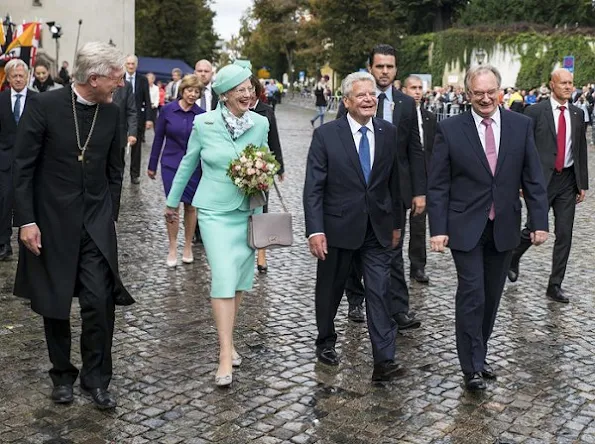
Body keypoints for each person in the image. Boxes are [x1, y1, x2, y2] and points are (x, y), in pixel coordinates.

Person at [12, 41, 134, 408]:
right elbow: (23, 168)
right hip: (49, 223)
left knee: (99, 300)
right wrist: (27, 221)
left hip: (95, 223)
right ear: (93, 78)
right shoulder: (44, 106)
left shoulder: (111, 114)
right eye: (116, 78)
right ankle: (62, 374)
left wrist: (109, 215)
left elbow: (116, 170)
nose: (120, 84)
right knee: (55, 302)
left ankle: (96, 379)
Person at [427, 65, 549, 391]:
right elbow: (437, 184)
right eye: (477, 92)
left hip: (505, 225)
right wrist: (437, 228)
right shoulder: (450, 129)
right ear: (468, 94)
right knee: (473, 294)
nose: (485, 98)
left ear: (500, 91)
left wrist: (539, 221)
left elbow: (534, 178)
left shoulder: (521, 126)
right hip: (465, 225)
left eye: (490, 91)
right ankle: (471, 368)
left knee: (492, 296)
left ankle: (478, 354)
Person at [165, 64, 269, 387]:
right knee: (223, 274)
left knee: (238, 281)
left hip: (247, 211)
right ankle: (225, 354)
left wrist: (261, 172)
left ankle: (230, 339)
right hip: (212, 211)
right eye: (241, 90)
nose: (248, 94)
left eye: (250, 89)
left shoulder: (261, 123)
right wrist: (172, 201)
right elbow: (188, 161)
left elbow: (266, 158)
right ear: (224, 94)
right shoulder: (204, 123)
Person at [304, 71, 403, 381]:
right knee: (330, 289)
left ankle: (384, 360)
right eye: (361, 95)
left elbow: (394, 183)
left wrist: (397, 223)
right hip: (338, 229)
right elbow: (313, 188)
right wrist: (315, 229)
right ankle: (325, 340)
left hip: (377, 228)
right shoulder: (326, 135)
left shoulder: (388, 132)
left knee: (379, 291)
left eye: (371, 94)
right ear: (346, 101)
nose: (368, 99)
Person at [337, 44, 425, 329]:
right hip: (359, 188)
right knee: (354, 246)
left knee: (394, 249)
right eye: (380, 66)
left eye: (390, 66)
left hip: (394, 190)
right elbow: (340, 143)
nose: (385, 71)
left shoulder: (406, 103)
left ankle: (399, 309)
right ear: (370, 68)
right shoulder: (352, 100)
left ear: (396, 69)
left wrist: (419, 191)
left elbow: (415, 149)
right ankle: (355, 299)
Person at [508, 69, 588, 303]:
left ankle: (555, 285)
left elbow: (580, 149)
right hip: (541, 181)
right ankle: (513, 257)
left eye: (571, 83)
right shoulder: (534, 112)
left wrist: (582, 183)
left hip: (567, 181)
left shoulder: (576, 113)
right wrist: (522, 181)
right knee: (533, 228)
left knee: (565, 234)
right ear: (551, 85)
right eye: (563, 83)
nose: (568, 87)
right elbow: (522, 149)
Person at [149, 75, 204, 267]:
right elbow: (158, 139)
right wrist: (152, 164)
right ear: (183, 90)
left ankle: (187, 246)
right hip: (171, 164)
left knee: (191, 206)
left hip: (194, 167)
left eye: (197, 92)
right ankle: (173, 247)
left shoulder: (202, 115)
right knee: (172, 206)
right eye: (190, 90)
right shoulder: (167, 110)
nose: (192, 94)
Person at [402, 75, 437, 284]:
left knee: (419, 225)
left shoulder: (429, 118)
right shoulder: (397, 115)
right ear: (404, 90)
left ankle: (418, 266)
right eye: (412, 88)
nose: (417, 92)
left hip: (423, 177)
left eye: (419, 88)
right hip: (401, 175)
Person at [249, 75, 285, 273]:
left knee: (262, 210)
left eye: (252, 90)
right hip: (239, 167)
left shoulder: (267, 111)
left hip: (262, 167)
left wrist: (280, 167)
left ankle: (261, 255)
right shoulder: (237, 110)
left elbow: (274, 140)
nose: (248, 94)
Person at [0, 59, 36, 261]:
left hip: (31, 160)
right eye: (15, 76)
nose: (19, 79)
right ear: (8, 78)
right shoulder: (2, 99)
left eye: (22, 75)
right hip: (5, 160)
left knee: (29, 199)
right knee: (4, 201)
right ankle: (4, 243)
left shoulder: (38, 100)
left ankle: (30, 239)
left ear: (27, 76)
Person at [124, 54, 153, 185]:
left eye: (133, 64)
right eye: (128, 63)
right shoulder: (119, 78)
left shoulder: (142, 80)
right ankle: (117, 172)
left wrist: (149, 119)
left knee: (136, 148)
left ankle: (134, 175)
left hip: (138, 118)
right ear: (125, 64)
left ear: (136, 65)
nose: (130, 66)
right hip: (121, 117)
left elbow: (147, 100)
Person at [112, 78, 137, 165]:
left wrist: (132, 133)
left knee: (117, 166)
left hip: (119, 134)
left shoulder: (126, 86)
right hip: (100, 134)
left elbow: (131, 111)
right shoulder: (98, 81)